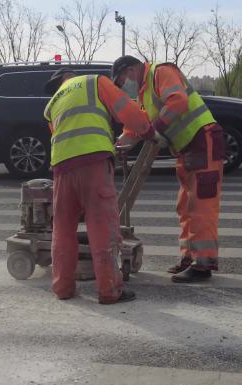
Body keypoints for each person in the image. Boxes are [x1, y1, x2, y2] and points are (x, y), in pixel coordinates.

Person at [43, 68, 159, 304]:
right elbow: (127, 110)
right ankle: (109, 291)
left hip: (62, 169)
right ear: (72, 75)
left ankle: (63, 288)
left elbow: (61, 135)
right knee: (102, 227)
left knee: (63, 229)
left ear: (59, 84)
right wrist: (147, 131)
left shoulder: (51, 104)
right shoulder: (93, 82)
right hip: (93, 163)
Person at [112, 56, 225, 283]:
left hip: (202, 140)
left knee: (200, 206)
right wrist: (117, 146)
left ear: (132, 69)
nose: (125, 85)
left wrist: (156, 130)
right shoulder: (144, 93)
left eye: (123, 79)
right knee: (185, 206)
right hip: (187, 148)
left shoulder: (161, 72)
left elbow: (178, 101)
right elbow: (138, 127)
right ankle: (189, 258)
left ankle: (203, 264)